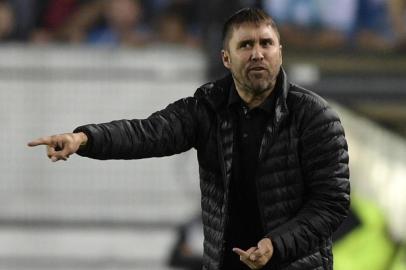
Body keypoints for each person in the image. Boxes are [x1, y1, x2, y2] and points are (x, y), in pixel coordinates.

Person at [28, 8, 350, 270]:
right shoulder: (207, 107)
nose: (257, 54)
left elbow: (331, 204)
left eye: (266, 44)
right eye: (246, 45)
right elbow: (149, 133)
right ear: (226, 58)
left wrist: (274, 246)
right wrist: (85, 139)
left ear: (280, 51)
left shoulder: (315, 117)